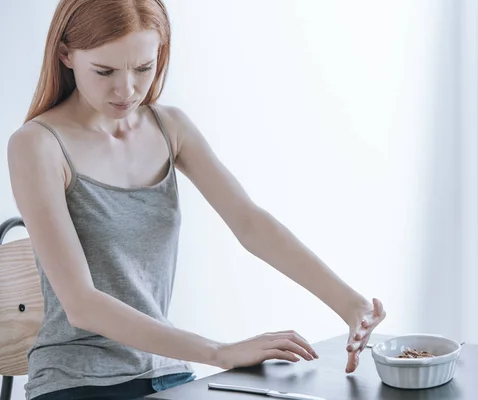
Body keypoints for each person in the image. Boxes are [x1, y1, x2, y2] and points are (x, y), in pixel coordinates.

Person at [6, 1, 387, 399]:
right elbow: (81, 304)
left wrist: (350, 304)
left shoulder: (169, 128)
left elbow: (251, 223)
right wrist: (218, 352)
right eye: (105, 71)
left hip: (165, 373)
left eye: (143, 68)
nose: (127, 90)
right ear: (66, 54)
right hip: (77, 380)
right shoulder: (36, 145)